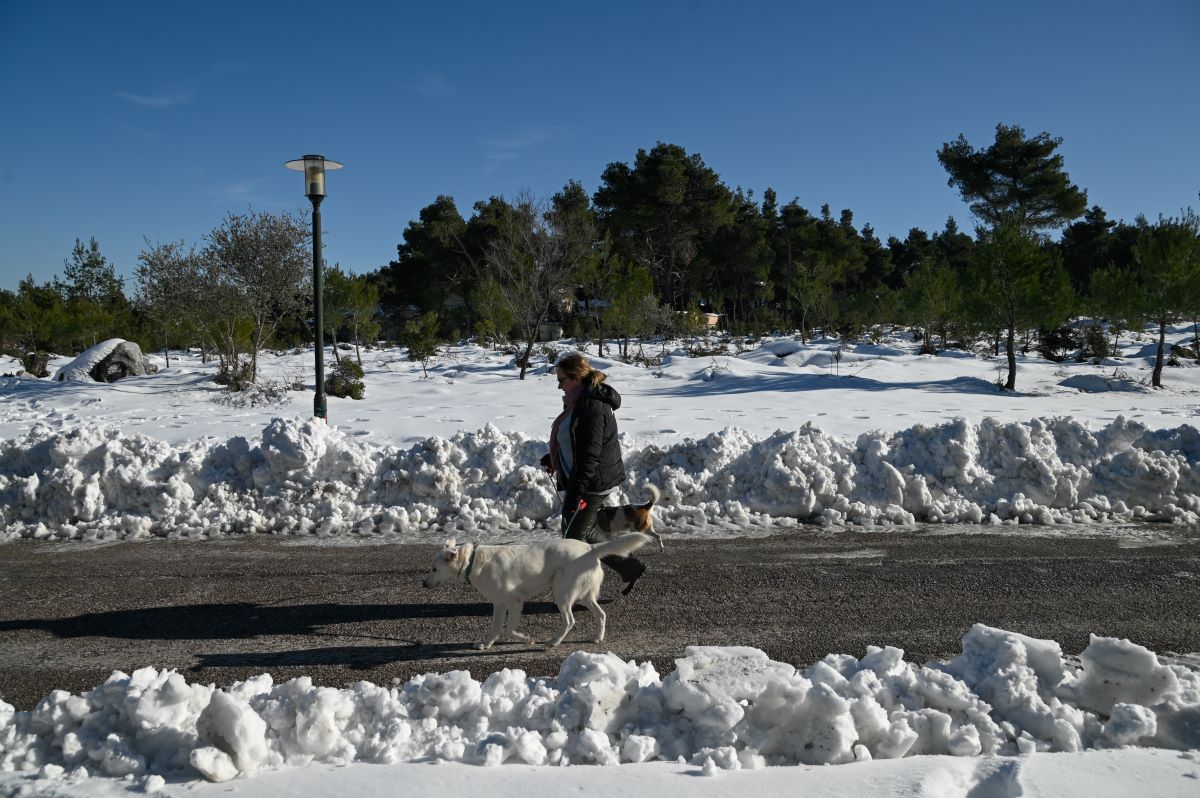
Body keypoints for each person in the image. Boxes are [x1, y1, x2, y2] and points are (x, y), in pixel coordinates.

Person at [542, 352, 647, 595]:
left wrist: (577, 494)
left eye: (561, 379)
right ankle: (630, 567)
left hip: (591, 482)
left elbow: (590, 455)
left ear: (576, 378)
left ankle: (576, 595)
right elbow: (575, 441)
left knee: (574, 541)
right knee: (586, 533)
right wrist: (554, 458)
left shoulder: (591, 406)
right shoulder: (578, 400)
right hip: (584, 478)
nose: (558, 385)